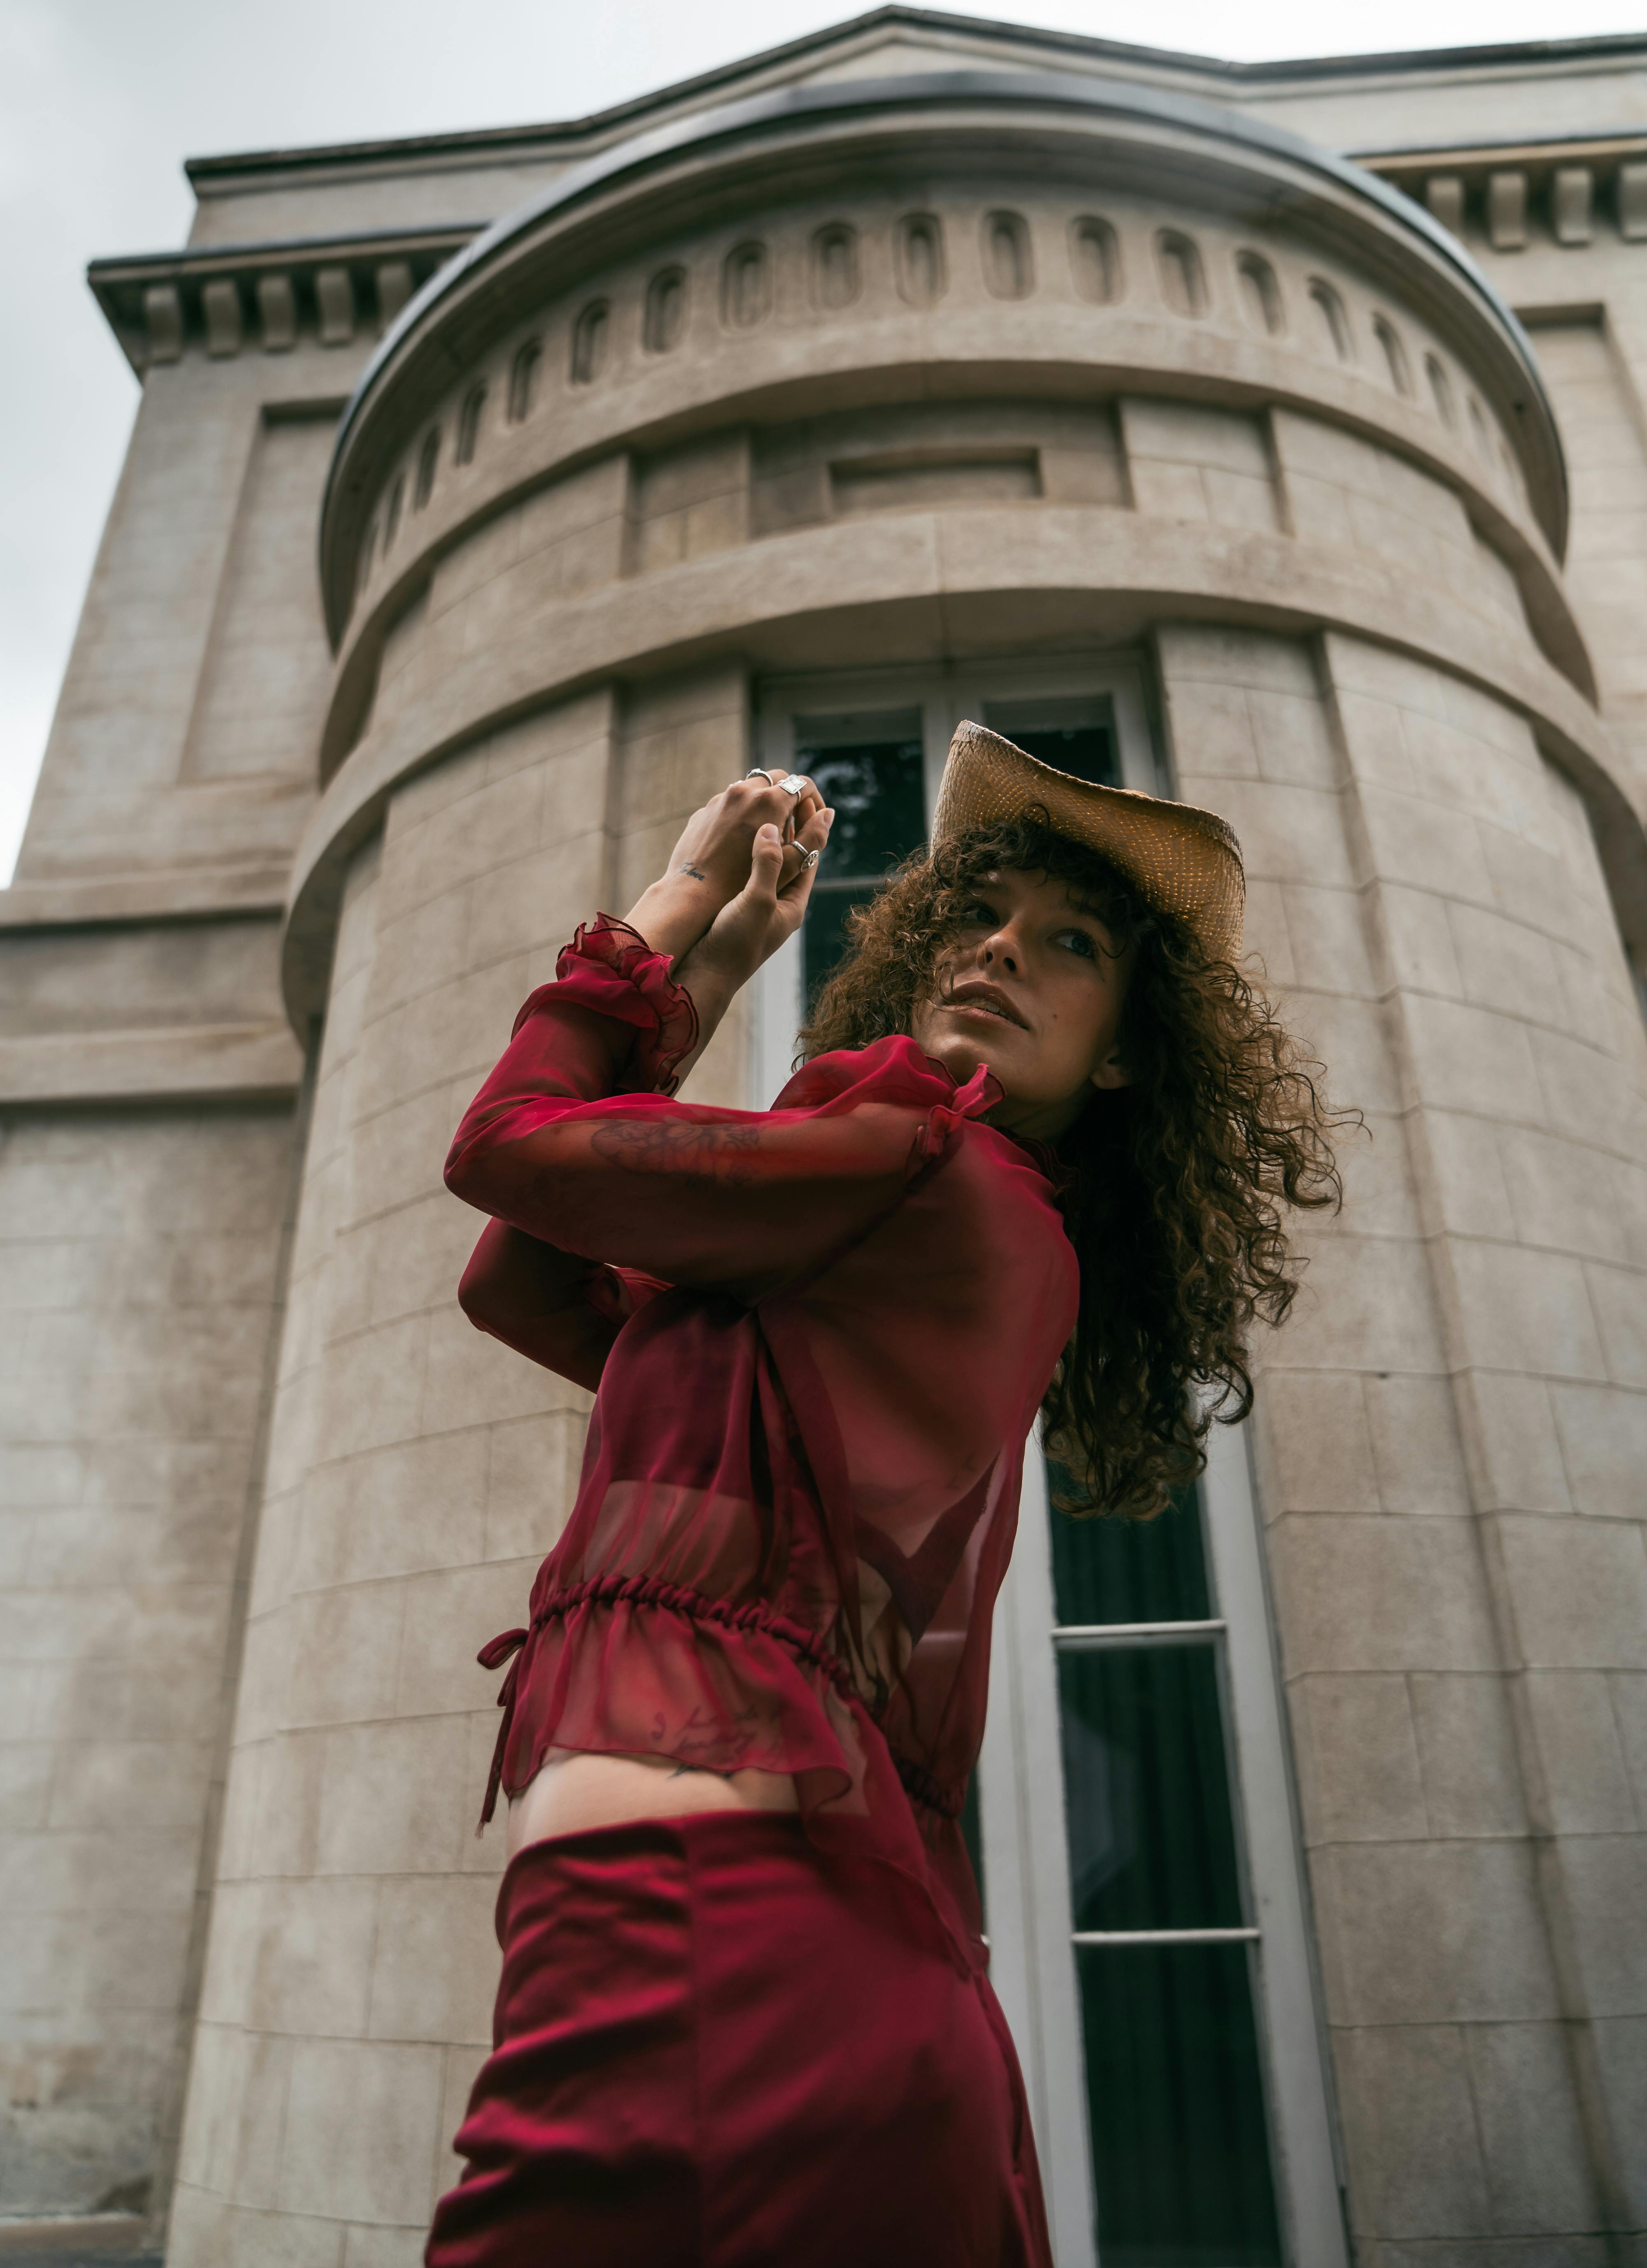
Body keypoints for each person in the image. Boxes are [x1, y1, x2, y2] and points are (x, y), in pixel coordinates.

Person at [424, 720, 1344, 2268]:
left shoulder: (925, 1164)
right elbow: (528, 1283)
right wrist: (710, 981)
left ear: (1124, 1049)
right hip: (777, 1946)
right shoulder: (872, 1222)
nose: (1001, 951)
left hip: (713, 1944)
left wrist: (665, 906)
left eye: (1071, 943)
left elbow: (509, 1147)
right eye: (983, 914)